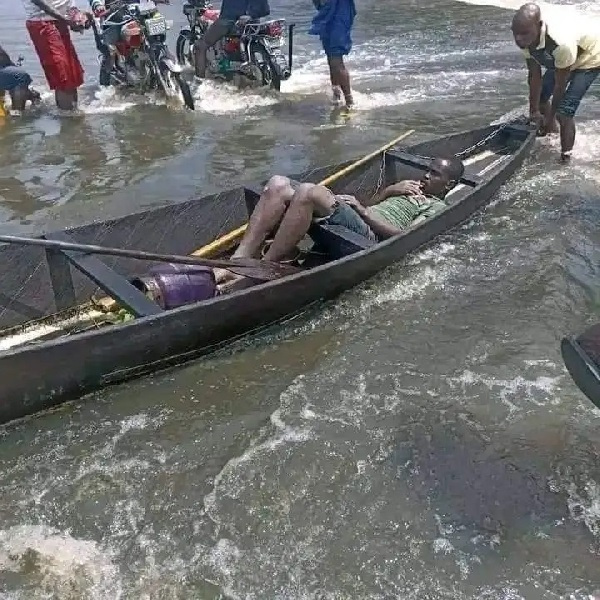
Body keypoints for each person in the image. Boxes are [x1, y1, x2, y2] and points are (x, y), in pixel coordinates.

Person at [215, 156, 464, 283]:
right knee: (278, 184)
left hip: (369, 238)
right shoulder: (407, 188)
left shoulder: (436, 206)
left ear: (449, 184)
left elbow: (406, 237)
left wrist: (362, 212)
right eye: (428, 170)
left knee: (309, 192)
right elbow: (373, 206)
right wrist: (390, 191)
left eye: (435, 174)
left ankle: (265, 266)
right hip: (358, 219)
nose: (426, 175)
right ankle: (240, 259)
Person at [511, 2, 600, 162]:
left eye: (524, 34)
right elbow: (534, 76)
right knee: (541, 100)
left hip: (590, 57)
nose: (518, 39)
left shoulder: (560, 43)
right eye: (515, 34)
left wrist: (550, 116)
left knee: (564, 112)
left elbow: (560, 86)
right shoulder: (525, 39)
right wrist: (534, 112)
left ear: (538, 26)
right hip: (565, 59)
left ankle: (566, 158)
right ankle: (552, 134)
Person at [22, 0, 88, 111]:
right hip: (42, 22)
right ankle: (67, 120)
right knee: (62, 74)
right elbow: (40, 3)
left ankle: (74, 117)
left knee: (71, 73)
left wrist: (76, 15)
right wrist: (66, 20)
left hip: (60, 21)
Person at [193, 0, 271, 80]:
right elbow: (265, 9)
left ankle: (199, 83)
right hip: (254, 22)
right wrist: (252, 15)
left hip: (230, 20)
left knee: (200, 46)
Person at [309, 0, 356, 109]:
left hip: (339, 13)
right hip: (327, 12)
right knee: (331, 58)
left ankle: (349, 102)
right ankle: (337, 96)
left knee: (336, 59)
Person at [0, 45, 41, 115]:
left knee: (15, 116)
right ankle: (33, 95)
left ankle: (30, 96)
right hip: (17, 76)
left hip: (15, 81)